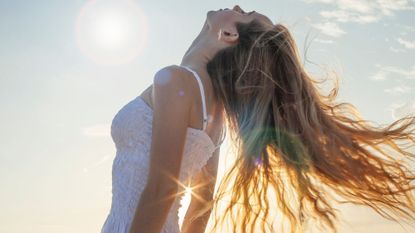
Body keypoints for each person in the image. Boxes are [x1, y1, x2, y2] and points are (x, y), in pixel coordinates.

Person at [102, 4, 415, 233]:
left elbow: (159, 192)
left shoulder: (177, 80)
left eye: (244, 15)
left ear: (228, 35)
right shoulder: (217, 112)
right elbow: (202, 205)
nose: (237, 6)